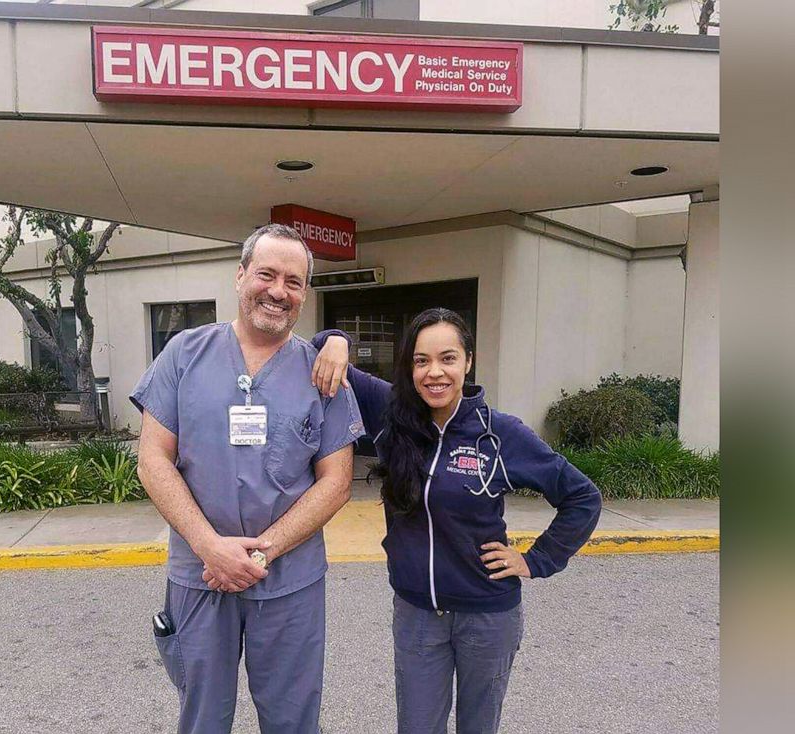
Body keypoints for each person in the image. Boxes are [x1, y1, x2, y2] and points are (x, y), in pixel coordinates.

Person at [310, 308, 602, 734]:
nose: (434, 373)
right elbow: (322, 349)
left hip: (487, 616)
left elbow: (582, 497)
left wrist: (536, 560)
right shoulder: (391, 414)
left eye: (447, 358)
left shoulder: (500, 434)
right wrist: (338, 338)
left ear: (468, 360)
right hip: (417, 614)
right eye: (421, 360)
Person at [131, 223, 364, 734]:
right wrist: (210, 547)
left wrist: (263, 551)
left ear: (304, 293)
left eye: (294, 281)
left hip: (290, 580)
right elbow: (152, 460)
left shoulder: (323, 374)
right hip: (201, 575)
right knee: (202, 718)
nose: (278, 291)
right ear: (240, 277)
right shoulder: (183, 356)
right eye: (266, 274)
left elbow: (337, 481)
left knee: (292, 719)